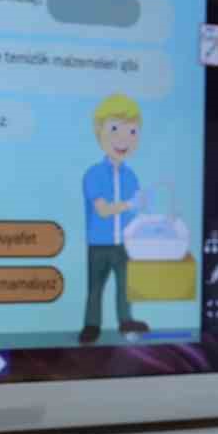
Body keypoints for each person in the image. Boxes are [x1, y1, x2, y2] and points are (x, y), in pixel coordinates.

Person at [81, 93, 150, 343]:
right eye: (114, 129)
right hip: (99, 244)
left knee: (125, 286)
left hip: (125, 244)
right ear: (99, 132)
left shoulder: (131, 177)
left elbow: (137, 212)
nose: (123, 139)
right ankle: (92, 326)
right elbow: (102, 210)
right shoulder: (94, 174)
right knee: (95, 288)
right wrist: (130, 204)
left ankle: (125, 321)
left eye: (132, 131)